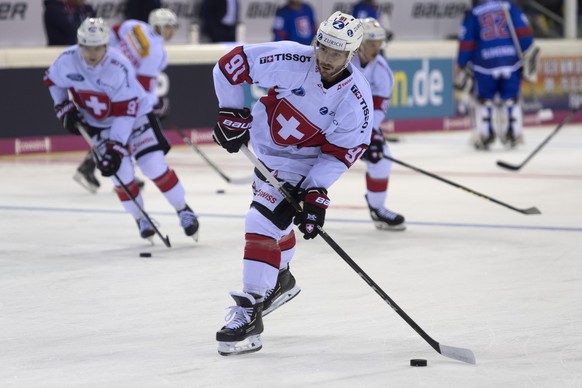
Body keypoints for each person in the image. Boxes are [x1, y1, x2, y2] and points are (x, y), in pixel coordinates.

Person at [212, 11, 371, 355]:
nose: (326, 59)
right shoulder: (292, 58)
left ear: (352, 54)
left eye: (337, 53)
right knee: (273, 222)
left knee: (260, 220)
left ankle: (250, 311)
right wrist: (231, 112)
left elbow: (344, 152)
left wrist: (315, 190)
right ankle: (281, 278)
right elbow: (230, 65)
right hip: (264, 152)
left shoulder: (356, 100)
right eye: (323, 49)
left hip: (302, 164)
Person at [44, 17, 199, 242]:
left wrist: (116, 147)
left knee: (153, 166)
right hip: (98, 123)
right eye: (87, 47)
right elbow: (52, 80)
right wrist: (62, 106)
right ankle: (140, 218)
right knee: (121, 175)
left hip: (135, 117)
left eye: (98, 47)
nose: (92, 53)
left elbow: (125, 112)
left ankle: (183, 209)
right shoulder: (67, 60)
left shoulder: (118, 66)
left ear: (106, 45)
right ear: (80, 45)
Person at [72, 9, 178, 193]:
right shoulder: (156, 51)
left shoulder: (134, 25)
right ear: (158, 26)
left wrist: (111, 56)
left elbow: (113, 32)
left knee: (116, 129)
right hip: (121, 90)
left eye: (173, 27)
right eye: (168, 27)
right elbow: (144, 84)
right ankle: (114, 174)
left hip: (105, 76)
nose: (171, 31)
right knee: (125, 130)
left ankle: (97, 168)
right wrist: (154, 104)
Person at [456, 0, 535, 150]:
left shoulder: (474, 13)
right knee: (511, 97)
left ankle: (485, 134)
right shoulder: (510, 7)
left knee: (484, 99)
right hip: (510, 59)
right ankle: (514, 132)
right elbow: (524, 33)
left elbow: (467, 40)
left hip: (485, 61)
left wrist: (461, 62)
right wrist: (527, 51)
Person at [352, 18, 405, 231]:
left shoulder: (382, 70)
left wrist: (370, 134)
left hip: (358, 125)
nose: (377, 48)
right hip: (327, 122)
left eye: (379, 43)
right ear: (360, 42)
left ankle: (377, 208)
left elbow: (378, 108)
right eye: (372, 43)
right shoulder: (343, 61)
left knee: (382, 159)